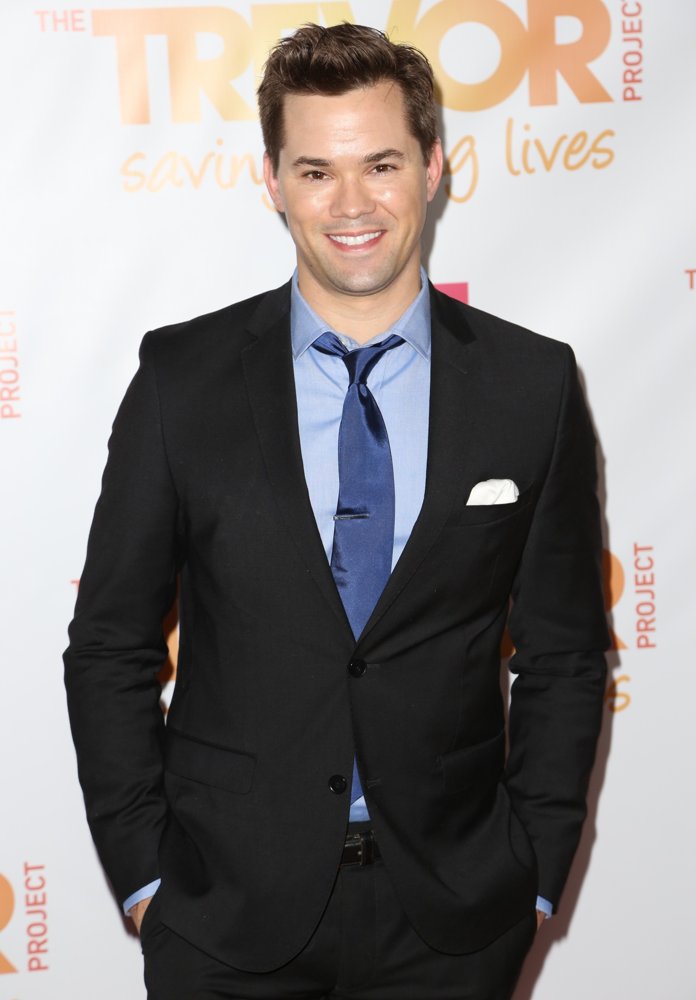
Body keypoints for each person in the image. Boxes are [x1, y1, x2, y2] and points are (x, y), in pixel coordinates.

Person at [64, 22, 609, 1000]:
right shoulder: (182, 380)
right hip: (225, 920)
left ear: (435, 167)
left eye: (382, 163)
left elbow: (565, 656)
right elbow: (109, 642)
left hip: (453, 923)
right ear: (273, 181)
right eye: (316, 170)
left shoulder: (533, 385)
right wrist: (148, 878)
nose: (352, 203)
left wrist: (532, 877)